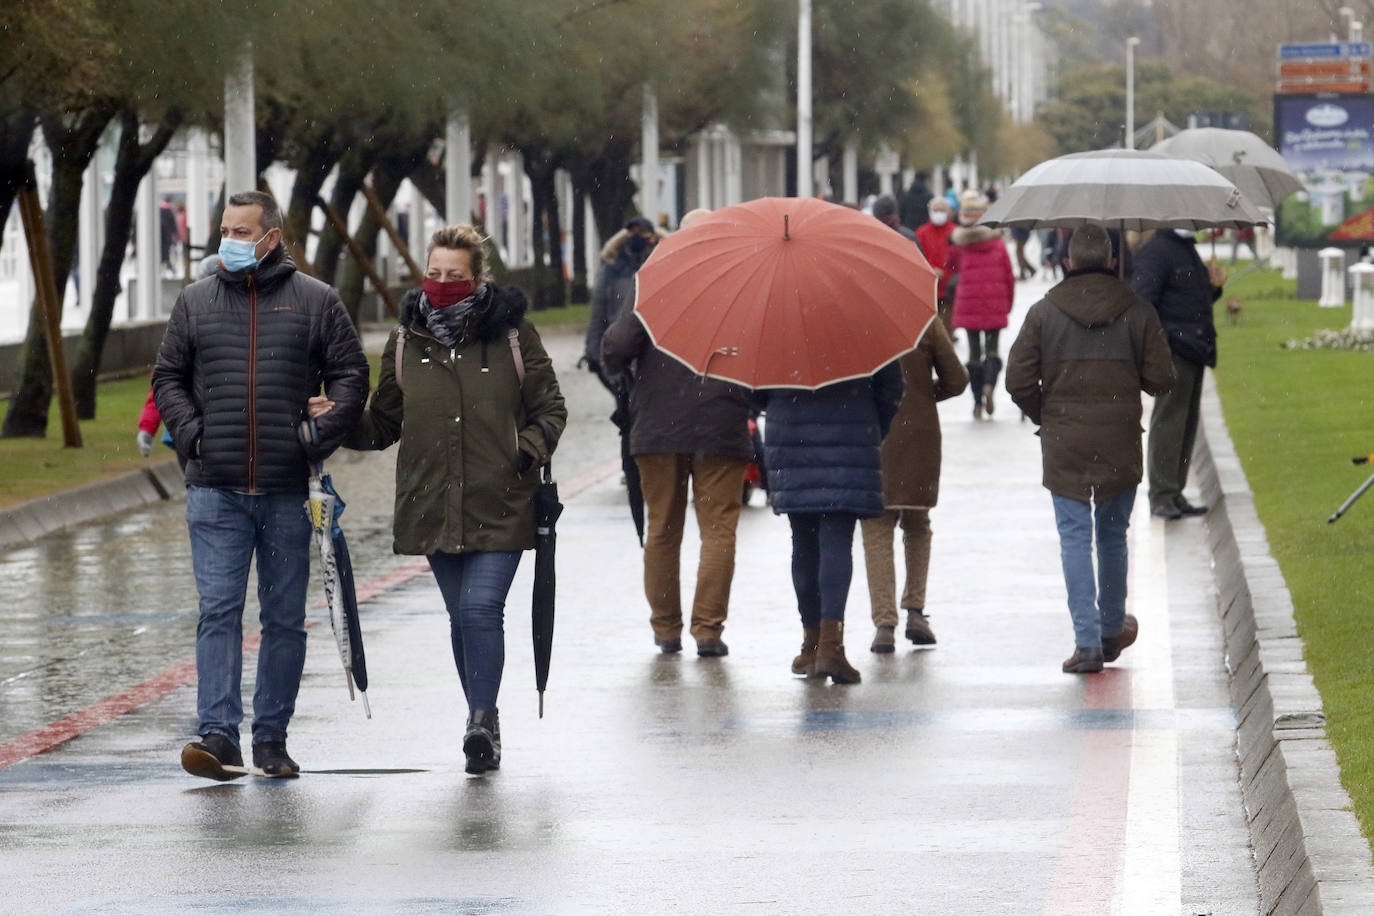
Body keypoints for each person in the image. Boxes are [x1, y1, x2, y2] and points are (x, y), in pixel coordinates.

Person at [152, 190, 370, 780]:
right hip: (214, 487)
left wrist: (317, 436)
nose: (230, 241)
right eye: (225, 229)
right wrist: (194, 435)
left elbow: (352, 376)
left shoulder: (317, 301)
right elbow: (167, 375)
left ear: (271, 237)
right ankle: (218, 734)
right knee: (218, 610)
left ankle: (271, 737)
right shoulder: (196, 301)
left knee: (282, 618)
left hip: (286, 490)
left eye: (241, 231)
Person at [340, 224, 566, 775]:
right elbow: (382, 424)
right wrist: (336, 420)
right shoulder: (405, 342)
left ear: (477, 278)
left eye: (455, 276)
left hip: (501, 499)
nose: (442, 284)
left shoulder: (513, 336)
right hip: (432, 502)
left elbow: (551, 408)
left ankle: (481, 721)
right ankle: (480, 717)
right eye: (434, 274)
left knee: (480, 608)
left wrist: (524, 452)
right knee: (460, 618)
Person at [1005, 226, 1175, 673]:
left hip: (1064, 442)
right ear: (1114, 262)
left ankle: (1086, 644)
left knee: (1075, 538)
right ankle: (1111, 626)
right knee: (1113, 535)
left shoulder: (1043, 313)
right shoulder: (1138, 312)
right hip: (1120, 438)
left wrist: (1048, 413)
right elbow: (1162, 380)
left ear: (1067, 262)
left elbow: (1017, 380)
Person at [601, 208, 754, 658]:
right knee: (718, 529)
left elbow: (616, 346)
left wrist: (624, 371)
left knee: (663, 529)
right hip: (722, 420)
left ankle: (666, 629)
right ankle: (708, 630)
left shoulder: (655, 282)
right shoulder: (740, 286)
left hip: (657, 423)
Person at [763, 364, 904, 684]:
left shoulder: (774, 322)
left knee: (803, 544)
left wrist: (784, 408)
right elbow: (892, 387)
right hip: (849, 434)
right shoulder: (866, 321)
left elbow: (752, 391)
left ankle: (811, 643)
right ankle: (830, 645)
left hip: (790, 438)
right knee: (837, 540)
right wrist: (870, 426)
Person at [860, 319, 967, 652]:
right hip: (919, 434)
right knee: (917, 524)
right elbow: (958, 380)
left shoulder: (857, 321)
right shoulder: (922, 322)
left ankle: (884, 624)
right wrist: (922, 396)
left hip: (872, 434)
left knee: (876, 529)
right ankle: (916, 611)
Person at [1129, 228, 1226, 520]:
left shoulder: (1185, 248)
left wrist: (1214, 287)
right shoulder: (1158, 251)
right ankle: (1161, 494)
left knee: (1186, 423)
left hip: (1194, 346)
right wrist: (1163, 340)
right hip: (1175, 348)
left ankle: (1175, 490)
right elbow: (1141, 300)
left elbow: (1189, 300)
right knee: (1169, 421)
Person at [946, 189, 1014, 420]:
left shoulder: (959, 245)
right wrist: (1007, 304)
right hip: (995, 304)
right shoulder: (998, 243)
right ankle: (989, 386)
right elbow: (1008, 276)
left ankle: (976, 402)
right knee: (993, 349)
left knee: (974, 353)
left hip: (968, 305)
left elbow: (950, 269)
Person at [583, 216, 660, 379]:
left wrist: (657, 233)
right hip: (621, 348)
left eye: (642, 232)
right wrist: (594, 353)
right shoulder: (612, 269)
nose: (636, 237)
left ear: (653, 237)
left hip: (651, 351)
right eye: (632, 233)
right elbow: (598, 314)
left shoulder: (660, 264)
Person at [915, 198, 957, 333]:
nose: (939, 213)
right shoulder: (922, 232)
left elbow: (959, 259)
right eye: (936, 210)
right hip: (928, 290)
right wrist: (930, 269)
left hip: (949, 290)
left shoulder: (955, 232)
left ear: (948, 212)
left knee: (947, 329)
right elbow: (917, 256)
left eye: (942, 210)